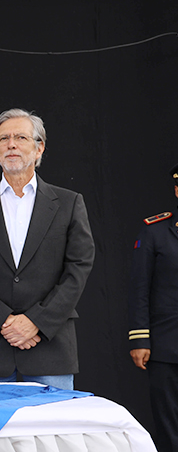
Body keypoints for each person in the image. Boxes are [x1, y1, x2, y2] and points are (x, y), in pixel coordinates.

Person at [0, 109, 94, 390]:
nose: (11, 144)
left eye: (20, 137)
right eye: (3, 139)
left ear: (39, 148)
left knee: (53, 434)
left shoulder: (68, 203)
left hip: (49, 346)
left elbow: (78, 267)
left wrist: (35, 322)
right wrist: (4, 321)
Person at [127, 163, 178, 451]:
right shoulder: (155, 231)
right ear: (176, 189)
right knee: (170, 427)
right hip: (167, 347)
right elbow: (139, 288)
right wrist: (140, 338)